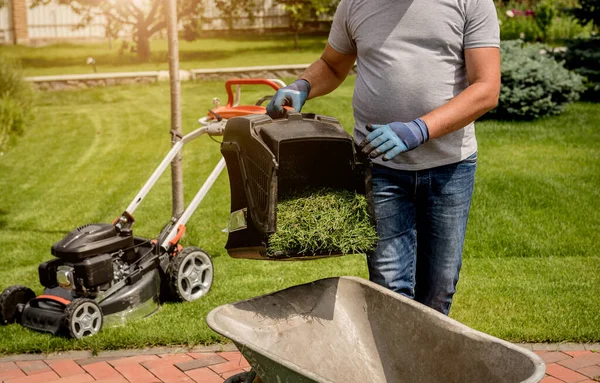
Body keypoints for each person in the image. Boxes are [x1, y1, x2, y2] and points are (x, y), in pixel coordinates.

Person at [266, 0, 500, 315]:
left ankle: (423, 364)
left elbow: (486, 87)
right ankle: (393, 365)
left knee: (438, 290)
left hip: (450, 169)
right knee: (390, 290)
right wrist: (303, 85)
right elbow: (334, 64)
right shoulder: (355, 3)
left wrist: (420, 129)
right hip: (380, 169)